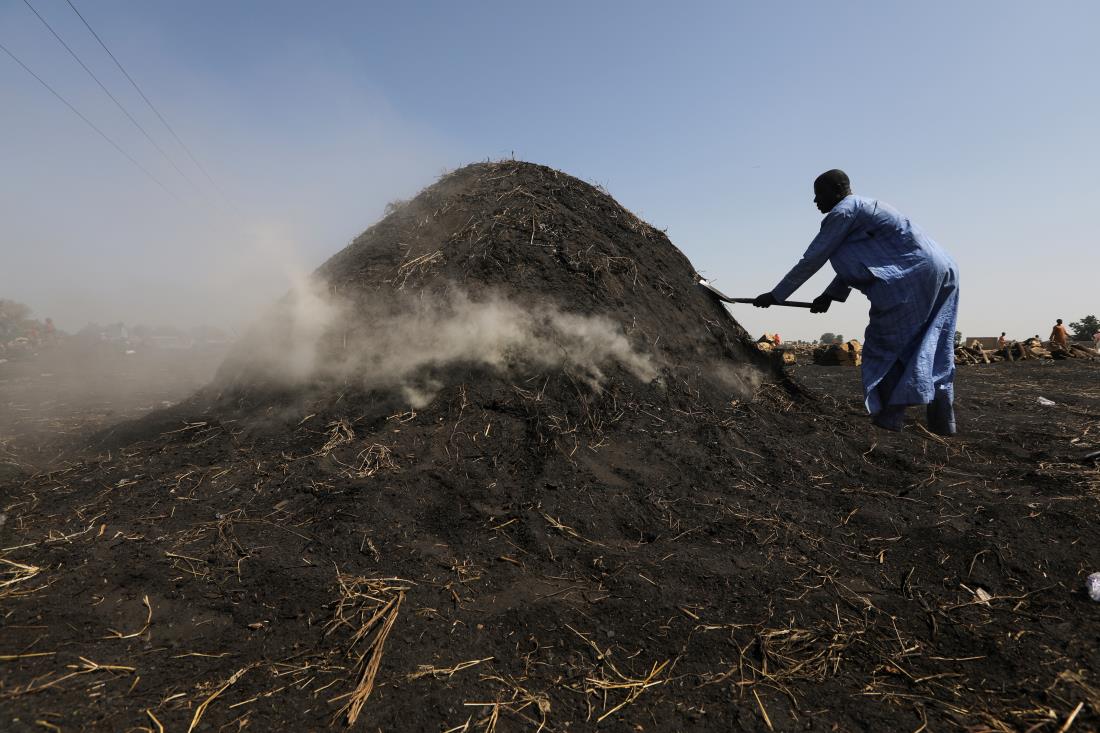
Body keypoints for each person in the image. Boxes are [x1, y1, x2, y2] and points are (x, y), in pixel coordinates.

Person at [753, 169, 959, 435]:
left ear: (838, 190)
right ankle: (944, 424)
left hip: (912, 276)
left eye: (819, 195)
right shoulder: (867, 209)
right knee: (936, 346)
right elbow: (866, 258)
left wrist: (776, 295)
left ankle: (889, 418)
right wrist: (829, 296)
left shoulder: (842, 213)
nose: (815, 202)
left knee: (886, 346)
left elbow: (812, 259)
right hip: (943, 267)